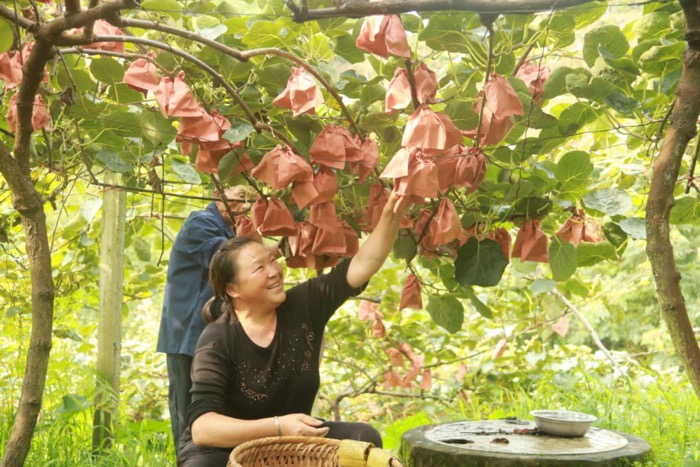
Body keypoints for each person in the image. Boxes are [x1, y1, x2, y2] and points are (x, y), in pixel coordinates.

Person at [176, 192, 411, 467]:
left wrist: (391, 215)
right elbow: (203, 429)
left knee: (363, 438)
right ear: (233, 289)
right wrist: (277, 426)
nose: (274, 271)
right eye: (259, 268)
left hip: (292, 443)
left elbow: (362, 265)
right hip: (226, 449)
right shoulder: (217, 339)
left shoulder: (304, 304)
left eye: (271, 261)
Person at [157, 185, 253, 450]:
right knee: (187, 415)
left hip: (213, 340)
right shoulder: (200, 222)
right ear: (217, 194)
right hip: (188, 337)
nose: (246, 205)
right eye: (240, 196)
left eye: (251, 201)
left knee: (213, 412)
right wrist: (262, 247)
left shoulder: (233, 232)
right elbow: (224, 259)